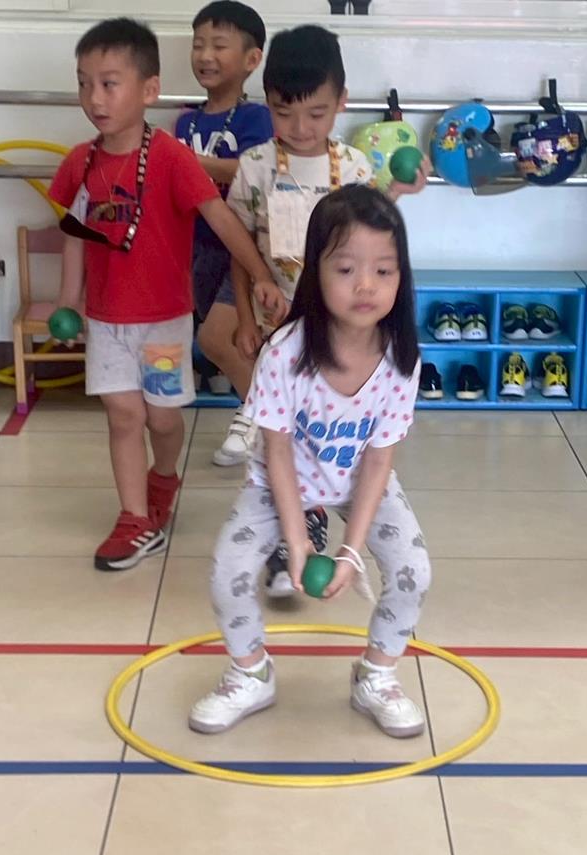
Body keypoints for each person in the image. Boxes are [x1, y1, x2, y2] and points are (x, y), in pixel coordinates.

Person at [189, 184, 430, 740]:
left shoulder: (401, 359)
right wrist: (297, 540)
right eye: (345, 269)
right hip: (281, 481)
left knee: (414, 571)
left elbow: (379, 461)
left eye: (383, 271)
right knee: (227, 571)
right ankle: (251, 673)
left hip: (359, 478)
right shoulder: (285, 353)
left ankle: (377, 674)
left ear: (402, 277)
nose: (366, 285)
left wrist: (350, 550)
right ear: (314, 272)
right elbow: (275, 450)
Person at [49, 17, 287, 571]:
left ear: (149, 89)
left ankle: (163, 476)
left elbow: (223, 219)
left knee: (160, 419)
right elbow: (74, 237)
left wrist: (260, 275)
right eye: (84, 83)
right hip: (106, 322)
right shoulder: (80, 163)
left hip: (162, 324)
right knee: (123, 416)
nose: (94, 98)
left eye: (109, 84)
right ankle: (135, 520)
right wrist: (67, 300)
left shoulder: (171, 157)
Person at [226, 23, 429, 595]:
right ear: (267, 103)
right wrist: (246, 311)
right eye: (284, 113)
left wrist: (399, 192)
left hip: (342, 332)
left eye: (316, 113)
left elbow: (371, 233)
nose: (300, 128)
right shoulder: (255, 166)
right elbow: (240, 247)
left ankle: (323, 522)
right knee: (283, 438)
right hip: (282, 329)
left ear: (341, 102)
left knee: (328, 433)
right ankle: (291, 533)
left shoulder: (355, 167)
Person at [175, 2, 274, 463]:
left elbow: (256, 170)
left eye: (218, 45)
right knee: (229, 341)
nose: (205, 55)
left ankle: (261, 416)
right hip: (198, 248)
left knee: (215, 338)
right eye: (198, 45)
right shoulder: (185, 121)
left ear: (252, 59)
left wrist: (193, 164)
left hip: (245, 249)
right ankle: (263, 423)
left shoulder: (257, 119)